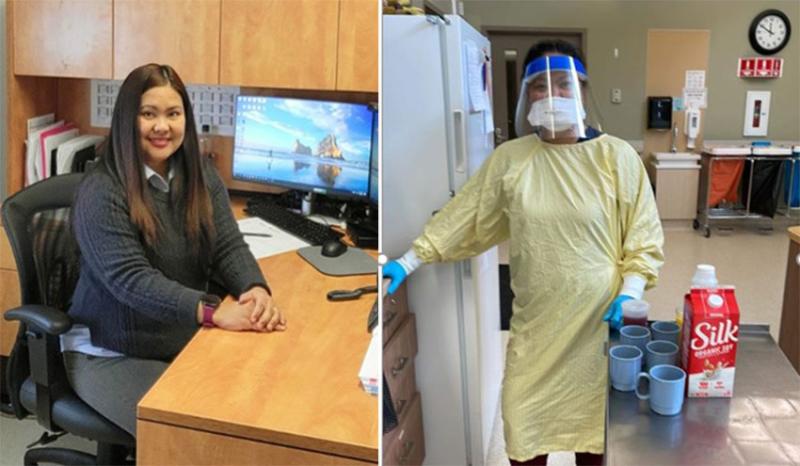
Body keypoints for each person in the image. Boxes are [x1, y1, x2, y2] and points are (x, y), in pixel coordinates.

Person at [382, 40, 664, 465]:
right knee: (524, 437)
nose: (551, 95)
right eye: (538, 86)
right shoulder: (512, 160)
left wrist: (631, 290)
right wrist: (409, 260)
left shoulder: (616, 157)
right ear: (525, 95)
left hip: (596, 334)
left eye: (562, 85)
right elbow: (465, 215)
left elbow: (643, 237)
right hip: (535, 334)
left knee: (594, 446)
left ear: (583, 91)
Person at [62, 63, 286, 437]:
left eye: (173, 113)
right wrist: (214, 312)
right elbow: (132, 281)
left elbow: (226, 244)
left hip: (176, 336)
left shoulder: (197, 172)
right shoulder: (102, 191)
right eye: (148, 114)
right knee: (197, 436)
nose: (161, 126)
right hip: (110, 351)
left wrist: (253, 289)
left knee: (258, 400)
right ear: (126, 120)